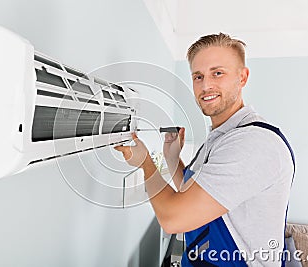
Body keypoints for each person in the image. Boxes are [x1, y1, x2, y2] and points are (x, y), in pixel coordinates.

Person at [114, 33, 295, 266]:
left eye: (217, 73)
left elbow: (173, 219)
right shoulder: (220, 138)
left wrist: (145, 163)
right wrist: (172, 158)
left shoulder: (252, 143)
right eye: (198, 76)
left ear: (243, 77)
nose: (205, 85)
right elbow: (194, 196)